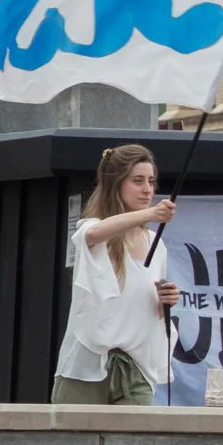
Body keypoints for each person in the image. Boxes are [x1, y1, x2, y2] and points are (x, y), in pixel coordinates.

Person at [52, 145, 180, 406]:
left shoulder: (156, 243)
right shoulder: (93, 229)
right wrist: (150, 213)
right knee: (74, 442)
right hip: (86, 366)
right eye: (138, 181)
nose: (148, 190)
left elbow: (147, 307)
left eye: (151, 181)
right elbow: (92, 234)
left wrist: (167, 299)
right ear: (115, 183)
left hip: (135, 368)